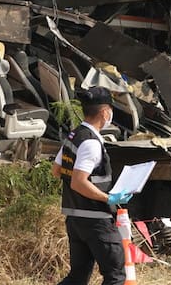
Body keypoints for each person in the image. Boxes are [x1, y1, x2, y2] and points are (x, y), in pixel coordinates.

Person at [51, 86, 133, 285]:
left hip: (76, 219)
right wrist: (109, 198)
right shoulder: (91, 143)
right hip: (96, 221)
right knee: (116, 277)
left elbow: (56, 170)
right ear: (105, 113)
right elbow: (79, 182)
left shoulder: (74, 136)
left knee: (77, 277)